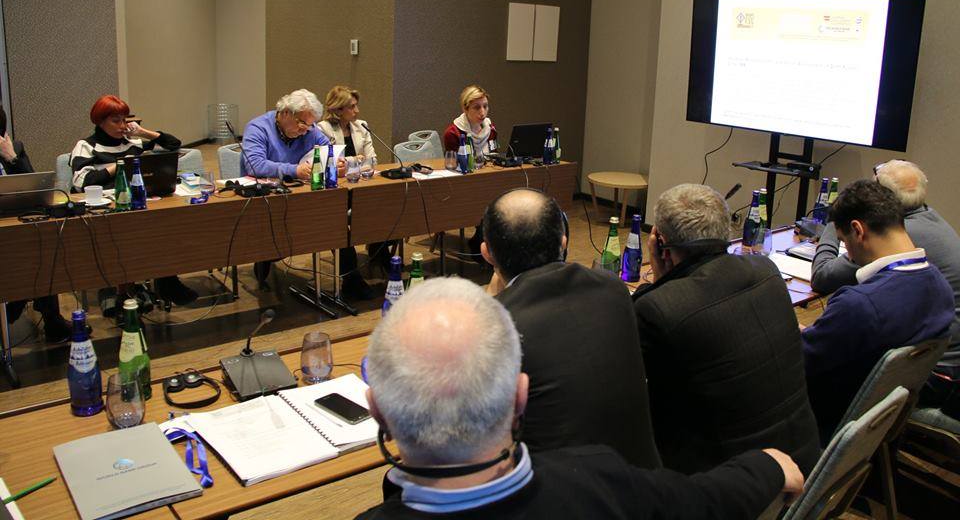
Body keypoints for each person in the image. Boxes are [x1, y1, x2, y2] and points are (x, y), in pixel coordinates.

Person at [357, 277, 804, 519]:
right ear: (521, 397)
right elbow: (702, 501)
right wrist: (765, 466)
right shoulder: (602, 478)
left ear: (378, 411)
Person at [632, 183, 820, 476]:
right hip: (806, 461)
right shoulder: (766, 271)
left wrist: (659, 281)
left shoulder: (659, 308)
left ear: (660, 243)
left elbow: (624, 385)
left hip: (731, 484)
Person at [480, 188, 660, 468]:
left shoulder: (496, 327)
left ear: (487, 254)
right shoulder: (612, 288)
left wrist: (492, 302)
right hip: (646, 478)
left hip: (560, 488)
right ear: (563, 242)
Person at [803, 179, 955, 442]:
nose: (849, 255)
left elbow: (797, 365)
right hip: (874, 420)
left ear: (857, 230)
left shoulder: (859, 304)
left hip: (820, 425)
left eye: (844, 242)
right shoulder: (940, 287)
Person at [70, 95, 197, 306]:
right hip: (106, 210)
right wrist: (121, 165)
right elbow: (81, 182)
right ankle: (124, 290)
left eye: (125, 120)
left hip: (138, 206)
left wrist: (143, 132)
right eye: (116, 121)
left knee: (165, 226)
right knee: (132, 233)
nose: (122, 126)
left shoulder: (133, 142)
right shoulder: (86, 146)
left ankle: (166, 280)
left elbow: (173, 145)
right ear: (100, 121)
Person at [241, 89, 367, 296]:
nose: (306, 130)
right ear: (285, 113)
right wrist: (295, 170)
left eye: (310, 125)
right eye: (302, 123)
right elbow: (255, 165)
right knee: (277, 240)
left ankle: (352, 280)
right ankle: (263, 264)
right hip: (268, 200)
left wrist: (337, 163)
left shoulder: (309, 129)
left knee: (335, 222)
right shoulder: (258, 128)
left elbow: (328, 150)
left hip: (303, 196)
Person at [0, 107, 70, 342]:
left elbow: (35, 188)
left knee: (43, 242)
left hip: (16, 221)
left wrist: (11, 157)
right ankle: (16, 303)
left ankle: (52, 320)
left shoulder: (14, 148)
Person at [318, 86, 394, 281]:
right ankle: (352, 273)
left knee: (388, 205)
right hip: (337, 190)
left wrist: (349, 163)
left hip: (362, 186)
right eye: (351, 107)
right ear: (338, 109)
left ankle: (379, 251)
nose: (357, 111)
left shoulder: (362, 126)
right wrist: (356, 160)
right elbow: (329, 163)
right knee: (340, 220)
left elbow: (373, 161)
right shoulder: (323, 129)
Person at [442, 85, 497, 255]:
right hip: (463, 184)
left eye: (485, 106)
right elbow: (453, 166)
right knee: (490, 204)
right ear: (465, 109)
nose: (482, 112)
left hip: (487, 181)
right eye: (477, 107)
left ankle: (489, 244)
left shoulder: (490, 129)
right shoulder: (453, 133)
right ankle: (481, 244)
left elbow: (493, 155)